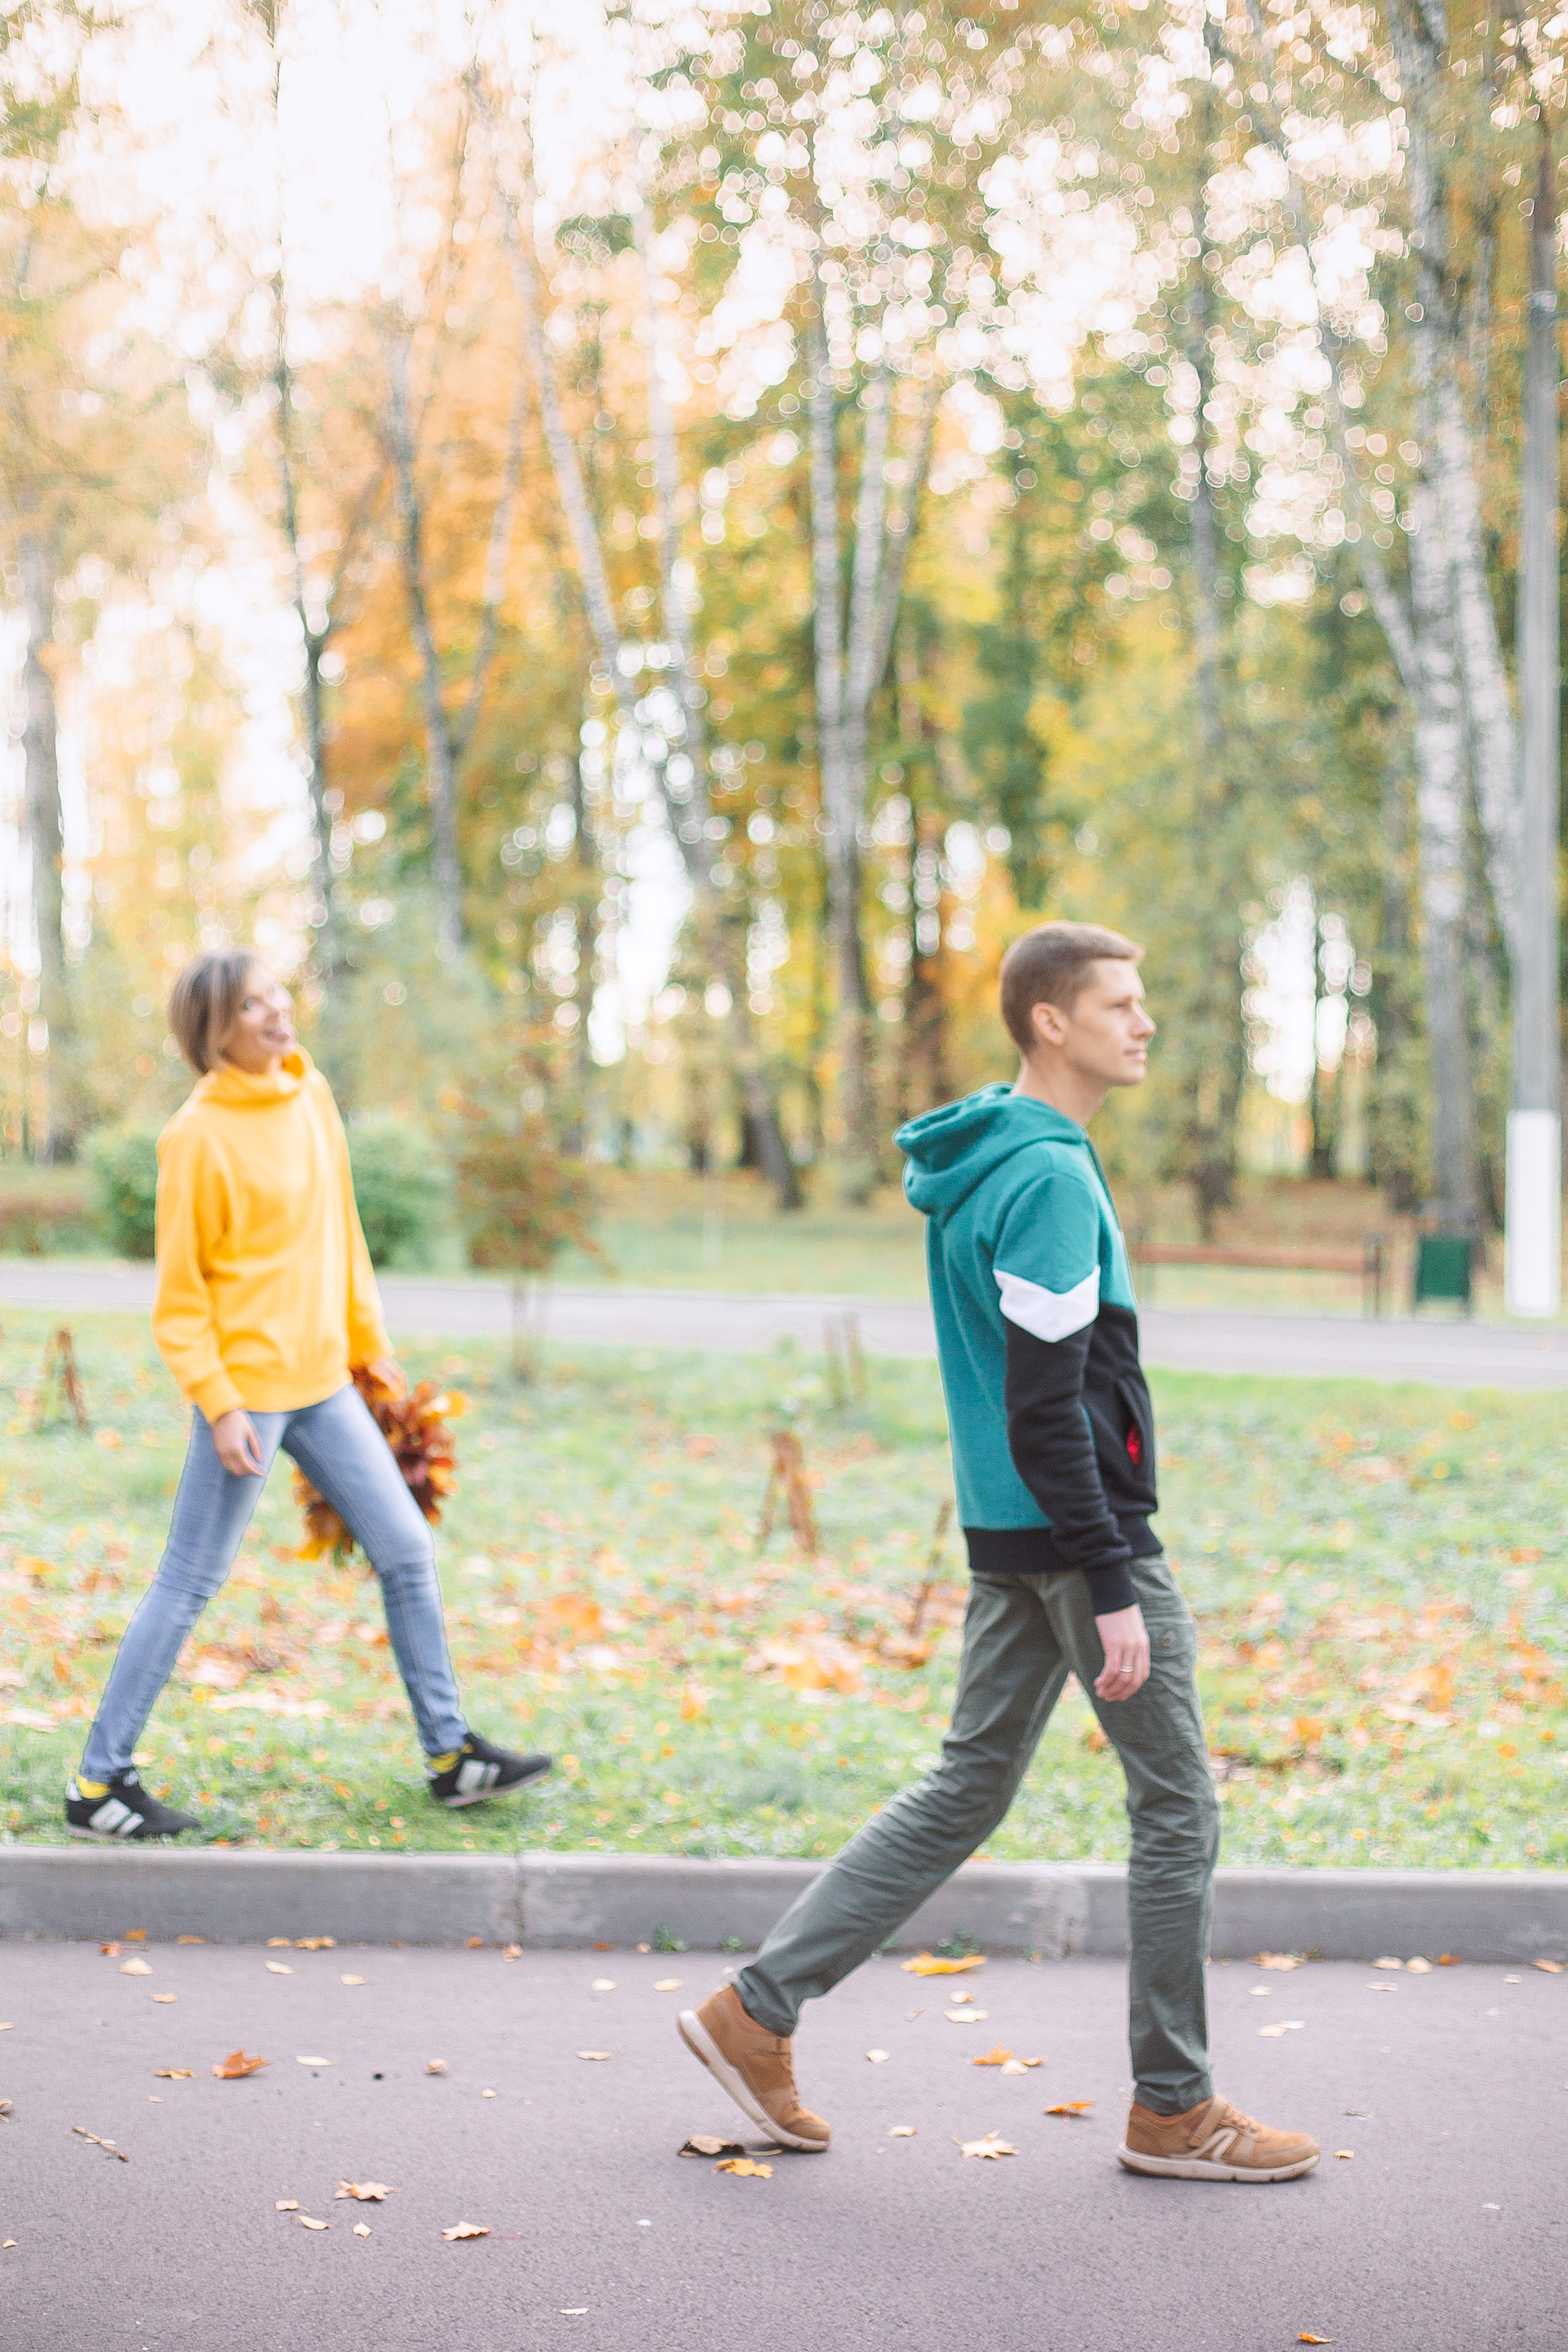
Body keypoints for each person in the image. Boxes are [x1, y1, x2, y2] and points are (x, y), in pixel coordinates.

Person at [679, 921, 1319, 2184]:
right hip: (1073, 1539)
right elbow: (1049, 1402)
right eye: (1119, 1006)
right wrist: (1110, 1579)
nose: (1140, 1025)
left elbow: (1032, 1400)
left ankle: (754, 2014)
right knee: (1178, 1808)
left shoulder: (989, 1159)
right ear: (1049, 1023)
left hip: (1006, 1533)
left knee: (966, 1783)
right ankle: (1174, 2107)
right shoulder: (1045, 1180)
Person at [67, 949, 549, 1841]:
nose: (277, 1014)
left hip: (324, 1381)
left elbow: (341, 1231)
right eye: (251, 1007)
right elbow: (180, 1302)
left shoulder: (309, 1093)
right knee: (188, 1582)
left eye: (276, 995)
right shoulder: (196, 1137)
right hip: (248, 1396)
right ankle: (98, 1785)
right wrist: (217, 1405)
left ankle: (452, 1757)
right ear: (213, 1035)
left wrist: (372, 1346)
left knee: (405, 1548)